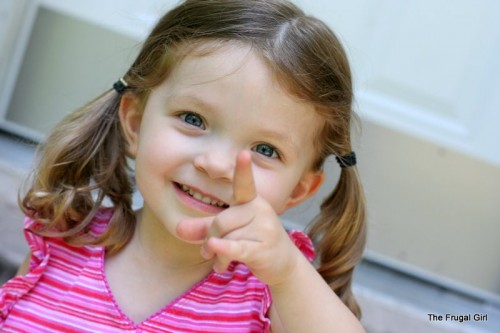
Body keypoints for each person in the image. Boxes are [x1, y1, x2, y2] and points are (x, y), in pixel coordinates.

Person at [0, 0, 367, 332]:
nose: (217, 165)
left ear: (299, 190)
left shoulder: (273, 294)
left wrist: (287, 273)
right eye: (193, 118)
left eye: (265, 150)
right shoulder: (64, 239)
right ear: (136, 123)